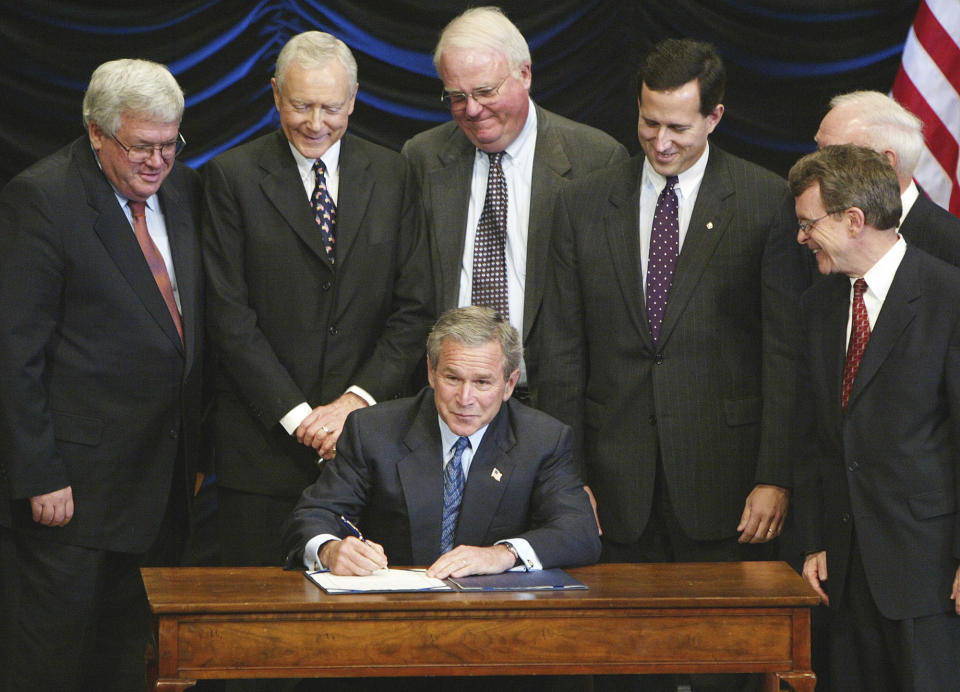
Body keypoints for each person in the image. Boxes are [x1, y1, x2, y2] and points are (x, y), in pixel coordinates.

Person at [537, 41, 807, 690]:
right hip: (614, 488)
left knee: (725, 667)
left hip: (726, 483)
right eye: (648, 122)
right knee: (624, 667)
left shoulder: (765, 201)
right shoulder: (582, 206)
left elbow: (784, 352)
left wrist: (774, 475)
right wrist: (566, 480)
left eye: (678, 127)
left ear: (715, 117)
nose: (660, 141)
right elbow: (563, 354)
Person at [0, 59, 203, 692]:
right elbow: (14, 351)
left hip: (160, 486)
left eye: (170, 145)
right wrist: (39, 474)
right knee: (53, 667)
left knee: (128, 664)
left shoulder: (184, 190)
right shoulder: (43, 198)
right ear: (96, 132)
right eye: (141, 146)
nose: (157, 161)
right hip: (72, 499)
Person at [201, 31, 433, 571]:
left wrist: (353, 404)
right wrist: (301, 416)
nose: (316, 121)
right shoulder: (231, 177)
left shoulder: (394, 174)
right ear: (276, 94)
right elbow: (228, 317)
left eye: (331, 107)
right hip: (263, 454)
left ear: (353, 101)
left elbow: (415, 307)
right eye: (301, 104)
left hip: (372, 449)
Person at [790, 144, 960, 691]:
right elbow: (818, 438)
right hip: (842, 573)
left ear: (854, 220)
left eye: (807, 223)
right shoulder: (818, 307)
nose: (801, 237)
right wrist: (816, 540)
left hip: (927, 572)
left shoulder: (947, 298)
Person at [402, 6, 627, 405]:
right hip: (453, 400)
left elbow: (611, 309)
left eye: (486, 92)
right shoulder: (422, 158)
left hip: (553, 402)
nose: (471, 110)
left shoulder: (596, 160)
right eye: (457, 96)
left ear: (525, 74)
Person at [283, 306, 600, 580]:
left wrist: (503, 554)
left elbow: (579, 531)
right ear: (431, 372)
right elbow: (313, 514)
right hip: (391, 612)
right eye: (452, 378)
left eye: (482, 382)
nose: (465, 399)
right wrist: (329, 549)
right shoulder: (374, 429)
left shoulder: (542, 439)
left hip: (495, 618)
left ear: (509, 384)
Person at [816, 90, 960, 267]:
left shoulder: (951, 245)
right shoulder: (812, 232)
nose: (816, 167)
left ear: (885, 162)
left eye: (834, 155)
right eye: (819, 150)